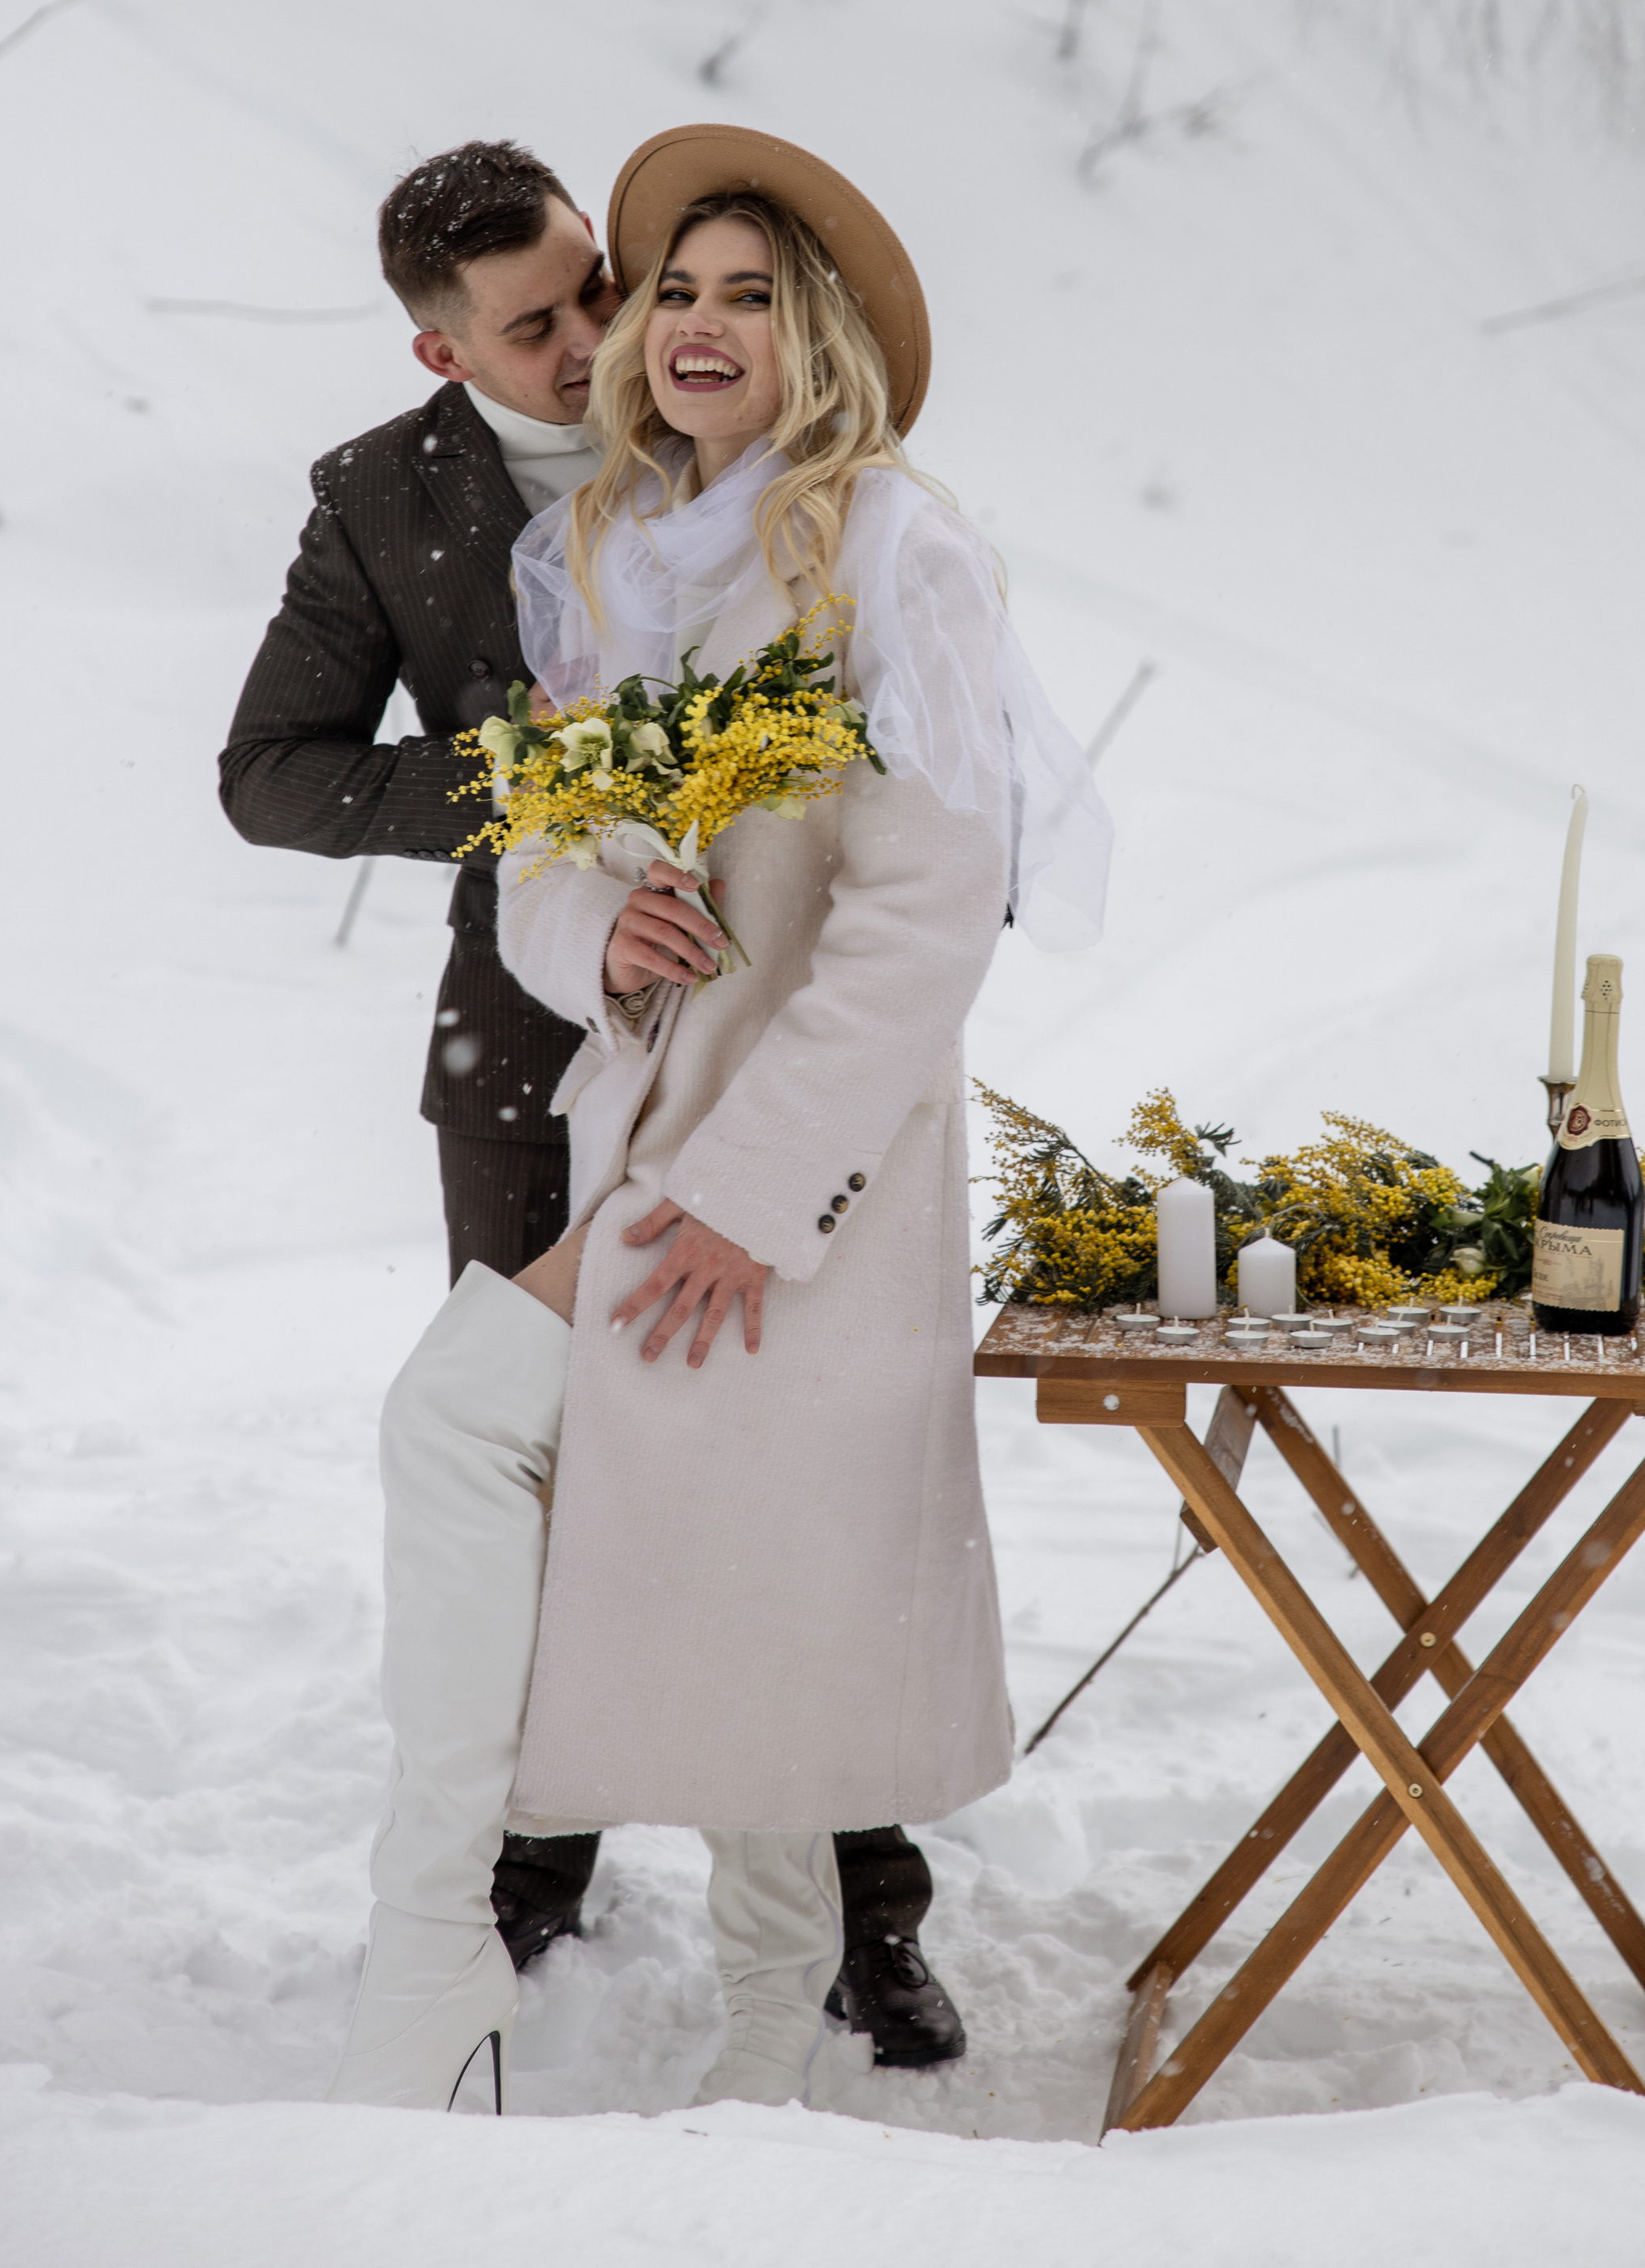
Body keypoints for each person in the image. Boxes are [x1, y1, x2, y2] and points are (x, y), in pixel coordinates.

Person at [326, 123, 1109, 2111]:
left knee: (648, 1512)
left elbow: (929, 915)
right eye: (670, 287)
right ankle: (547, 2010)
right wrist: (604, 918)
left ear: (814, 330)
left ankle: (571, 2016)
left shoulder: (891, 548)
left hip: (802, 1169)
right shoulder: (593, 547)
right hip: (641, 1126)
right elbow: (532, 865)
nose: (690, 323)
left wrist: (761, 1191)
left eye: (745, 292)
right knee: (686, 1538)